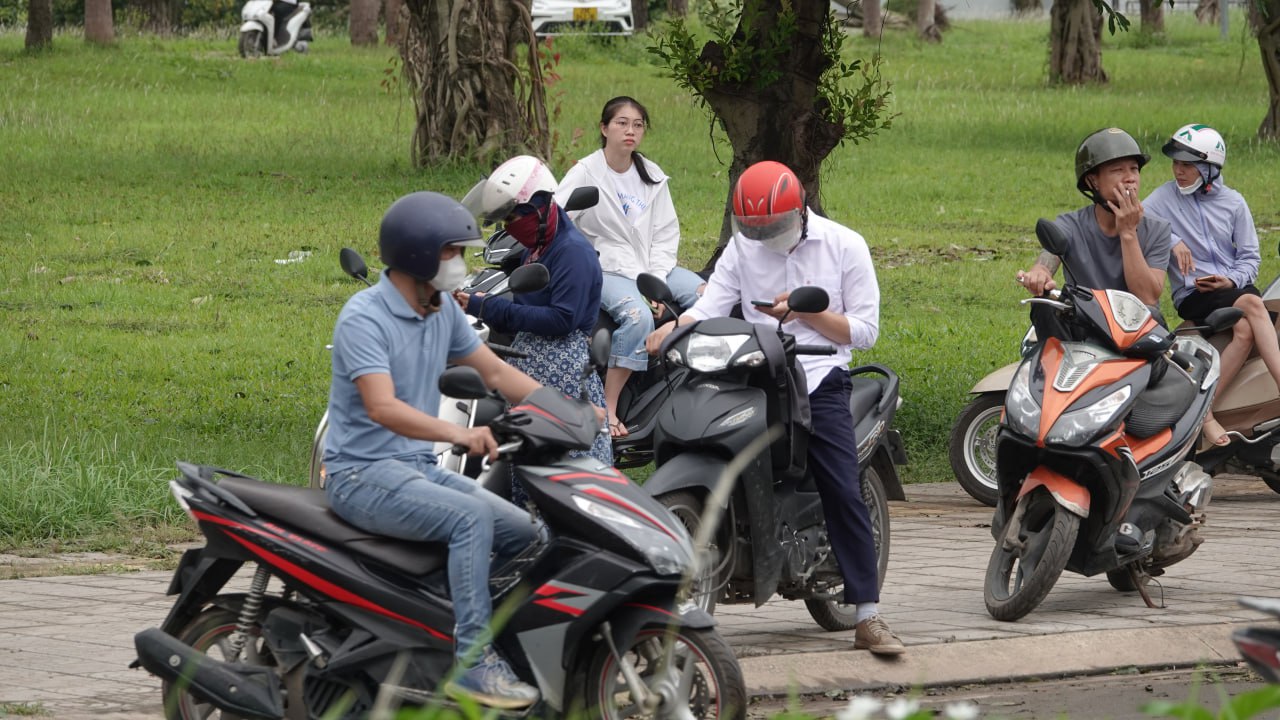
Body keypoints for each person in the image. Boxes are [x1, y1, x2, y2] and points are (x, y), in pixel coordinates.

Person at [645, 160, 905, 657]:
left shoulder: (844, 245)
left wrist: (810, 312)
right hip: (751, 373)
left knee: (840, 484)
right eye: (755, 228)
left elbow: (865, 331)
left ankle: (868, 613)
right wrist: (673, 328)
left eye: (774, 227)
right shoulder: (744, 246)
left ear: (801, 207)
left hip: (819, 377)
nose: (765, 237)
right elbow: (712, 305)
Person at [322, 191, 543, 709]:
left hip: (414, 470)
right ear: (420, 254)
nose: (460, 264)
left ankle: (457, 625)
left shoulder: (438, 309)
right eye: (452, 252)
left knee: (525, 533)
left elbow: (493, 371)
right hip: (362, 475)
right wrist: (458, 434)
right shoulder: (364, 318)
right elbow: (382, 407)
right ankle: (471, 662)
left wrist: (566, 409)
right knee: (470, 518)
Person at [455, 155, 613, 486]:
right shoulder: (540, 244)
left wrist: (490, 308)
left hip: (561, 368)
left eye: (514, 217)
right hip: (532, 362)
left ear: (540, 208)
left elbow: (561, 320)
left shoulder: (573, 253)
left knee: (564, 476)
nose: (510, 226)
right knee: (529, 469)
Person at [555, 96, 706, 438]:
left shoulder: (651, 175)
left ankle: (690, 382)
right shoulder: (586, 173)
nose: (630, 131)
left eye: (638, 125)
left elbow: (666, 232)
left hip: (653, 265)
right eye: (622, 123)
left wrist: (653, 278)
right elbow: (558, 218)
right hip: (608, 269)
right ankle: (609, 406)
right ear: (604, 128)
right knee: (637, 316)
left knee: (708, 297)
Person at [1144, 123, 1273, 449]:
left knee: (1245, 330)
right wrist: (1172, 240)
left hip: (1232, 288)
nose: (1178, 170)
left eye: (1187, 164)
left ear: (1210, 168)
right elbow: (1134, 220)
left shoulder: (1234, 203)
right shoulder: (1162, 198)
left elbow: (1250, 259)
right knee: (1254, 306)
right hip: (1194, 295)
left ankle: (1206, 412)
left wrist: (1228, 279)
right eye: (1176, 163)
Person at [1016, 127, 1172, 336]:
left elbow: (1147, 298)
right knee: (1045, 304)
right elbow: (1048, 258)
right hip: (1083, 327)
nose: (1130, 178)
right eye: (1118, 170)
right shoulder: (1072, 224)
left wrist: (1128, 233)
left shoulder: (1158, 229)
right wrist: (1039, 274)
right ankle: (1052, 363)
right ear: (1092, 181)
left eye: (1134, 169)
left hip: (1134, 333)